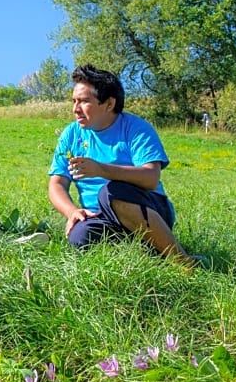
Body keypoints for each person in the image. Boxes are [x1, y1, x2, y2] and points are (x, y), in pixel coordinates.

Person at [47, 64, 197, 266]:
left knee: (110, 193)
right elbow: (57, 183)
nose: (75, 109)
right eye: (74, 101)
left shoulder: (136, 129)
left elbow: (151, 177)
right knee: (79, 237)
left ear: (109, 104)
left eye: (83, 101)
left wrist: (101, 170)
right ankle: (148, 254)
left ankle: (182, 261)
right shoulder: (71, 134)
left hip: (148, 208)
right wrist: (72, 211)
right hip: (100, 216)